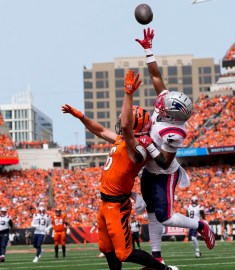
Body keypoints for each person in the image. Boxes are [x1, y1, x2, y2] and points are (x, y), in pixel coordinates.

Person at [62, 69, 178, 270]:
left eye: (127, 120)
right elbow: (99, 130)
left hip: (117, 205)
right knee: (105, 247)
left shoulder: (138, 150)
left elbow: (125, 125)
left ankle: (162, 269)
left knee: (124, 253)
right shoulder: (122, 140)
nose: (121, 121)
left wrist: (128, 93)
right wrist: (80, 116)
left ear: (135, 127)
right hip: (105, 203)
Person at [135, 27, 215, 264]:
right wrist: (149, 51)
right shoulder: (169, 111)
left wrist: (148, 142)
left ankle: (200, 225)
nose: (159, 105)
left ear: (172, 114)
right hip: (150, 170)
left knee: (166, 216)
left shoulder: (175, 132)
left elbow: (164, 160)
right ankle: (157, 257)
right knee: (150, 212)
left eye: (164, 106)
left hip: (164, 173)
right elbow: (156, 77)